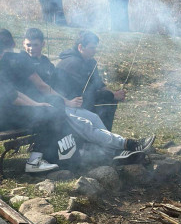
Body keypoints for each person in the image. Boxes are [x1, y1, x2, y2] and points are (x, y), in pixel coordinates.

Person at [20, 27, 154, 163]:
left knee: (93, 118)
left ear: (43, 44)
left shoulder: (45, 62)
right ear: (22, 44)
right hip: (42, 108)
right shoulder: (22, 62)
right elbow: (42, 87)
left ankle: (114, 151)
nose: (31, 48)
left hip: (56, 103)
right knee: (85, 124)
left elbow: (55, 86)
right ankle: (128, 144)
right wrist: (67, 101)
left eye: (35, 45)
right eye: (28, 45)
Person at [0, 30, 67, 173]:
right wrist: (37, 107)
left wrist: (37, 105)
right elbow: (13, 98)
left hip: (6, 113)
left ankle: (46, 155)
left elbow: (15, 93)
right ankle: (35, 161)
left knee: (49, 106)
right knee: (49, 114)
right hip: (3, 119)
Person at [56, 30, 126, 130]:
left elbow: (98, 84)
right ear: (80, 47)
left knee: (109, 97)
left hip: (83, 99)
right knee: (106, 98)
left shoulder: (90, 61)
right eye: (92, 48)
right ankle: (100, 135)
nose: (95, 51)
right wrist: (112, 95)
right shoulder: (72, 63)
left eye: (95, 47)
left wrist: (115, 93)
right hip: (69, 102)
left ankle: (104, 133)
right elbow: (85, 92)